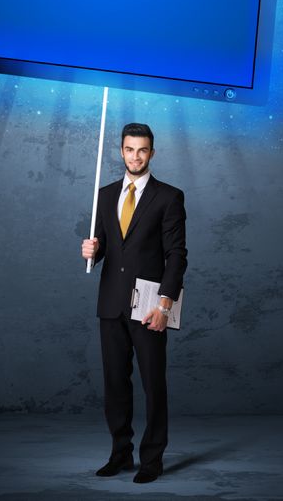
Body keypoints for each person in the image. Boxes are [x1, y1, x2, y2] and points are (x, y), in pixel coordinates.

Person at [82, 122, 187, 484]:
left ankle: (152, 459)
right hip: (111, 304)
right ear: (121, 151)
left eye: (142, 150)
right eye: (129, 149)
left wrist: (165, 304)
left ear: (151, 153)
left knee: (153, 384)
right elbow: (106, 249)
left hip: (149, 306)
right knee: (115, 383)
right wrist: (91, 252)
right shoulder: (105, 194)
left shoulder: (169, 197)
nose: (135, 156)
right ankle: (119, 453)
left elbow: (176, 255)